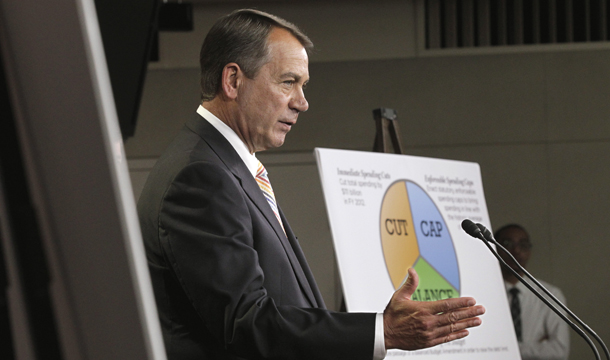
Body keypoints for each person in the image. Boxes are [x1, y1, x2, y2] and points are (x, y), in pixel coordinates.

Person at [137, 9, 485, 360]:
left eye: (303, 86)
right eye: (288, 82)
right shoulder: (200, 177)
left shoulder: (224, 166)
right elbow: (248, 324)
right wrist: (383, 332)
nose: (302, 103)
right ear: (233, 81)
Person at [495, 224, 569, 360]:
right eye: (507, 244)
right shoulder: (484, 294)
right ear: (494, 248)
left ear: (529, 251)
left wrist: (504, 349)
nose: (516, 250)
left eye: (523, 245)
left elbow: (559, 351)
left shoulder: (550, 294)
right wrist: (536, 347)